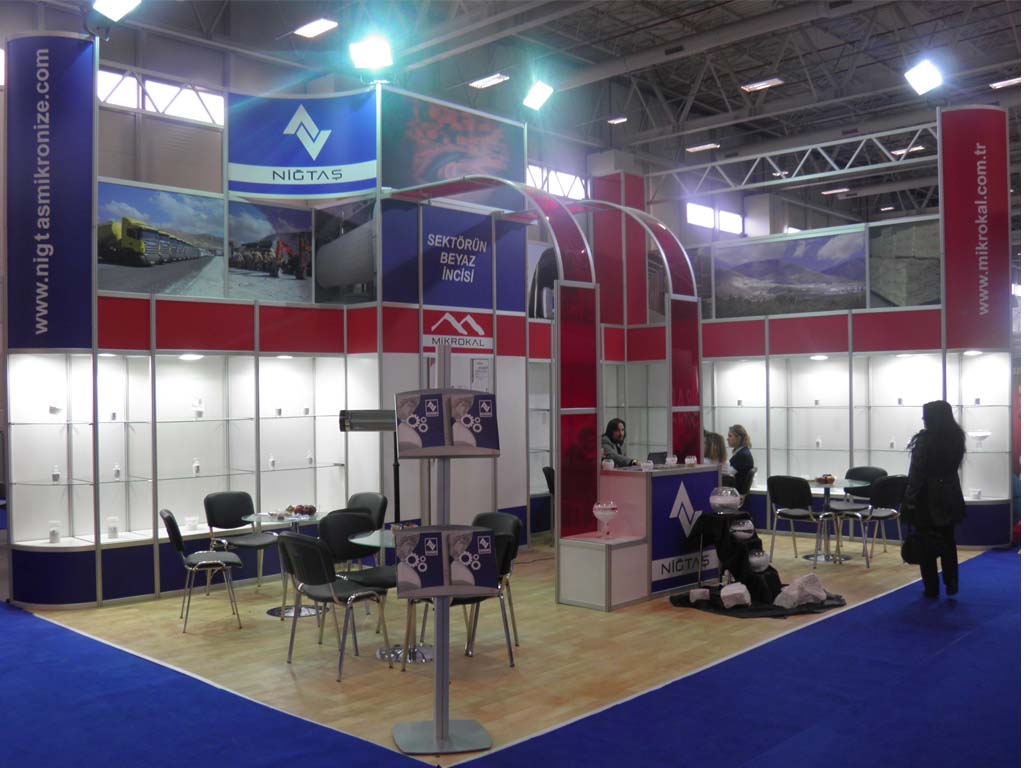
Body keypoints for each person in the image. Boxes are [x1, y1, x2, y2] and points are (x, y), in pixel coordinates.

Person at [902, 400, 966, 598]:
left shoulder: (924, 441)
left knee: (926, 543)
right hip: (950, 494)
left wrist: (909, 500)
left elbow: (916, 474)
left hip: (927, 498)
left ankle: (931, 588)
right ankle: (951, 582)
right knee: (948, 540)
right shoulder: (957, 438)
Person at [726, 425, 754, 495]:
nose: (727, 439)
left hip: (735, 493)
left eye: (730, 436)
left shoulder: (742, 455)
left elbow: (727, 474)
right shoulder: (742, 452)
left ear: (738, 438)